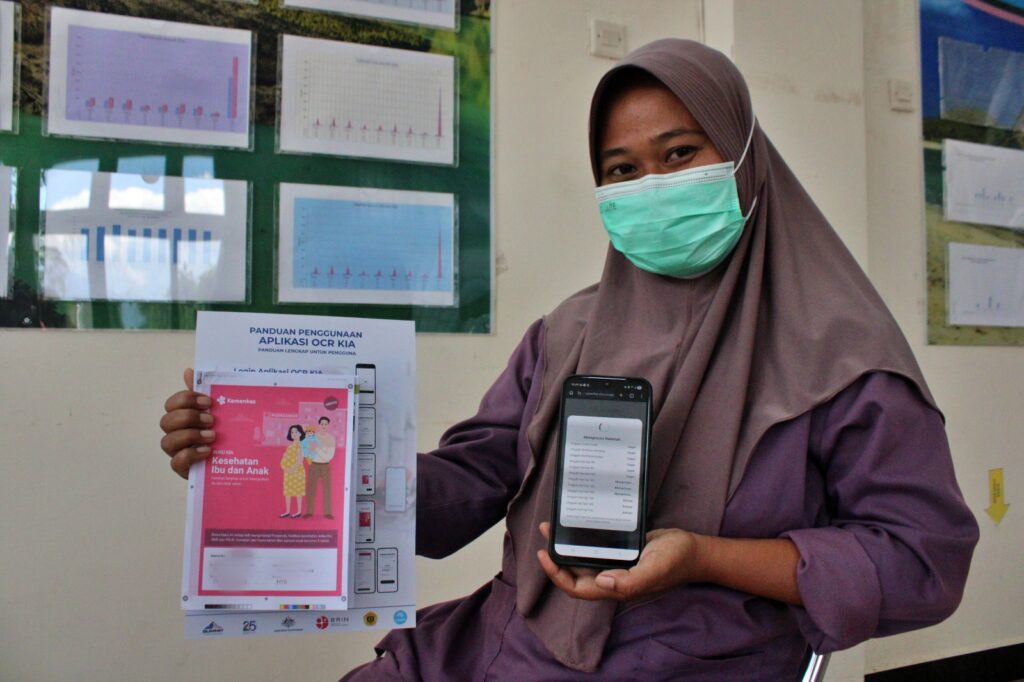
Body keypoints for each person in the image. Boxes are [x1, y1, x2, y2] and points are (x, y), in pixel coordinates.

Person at [160, 39, 978, 680]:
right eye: (622, 170)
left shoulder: (841, 355)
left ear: (743, 159)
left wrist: (703, 556)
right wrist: (270, 456)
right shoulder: (569, 332)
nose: (651, 185)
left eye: (679, 154)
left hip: (696, 662)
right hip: (508, 642)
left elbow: (922, 561)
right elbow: (470, 483)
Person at [304, 416, 336, 519]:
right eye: (322, 424)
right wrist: (321, 451)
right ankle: (309, 512)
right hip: (314, 465)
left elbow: (329, 456)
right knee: (311, 489)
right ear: (319, 425)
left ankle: (327, 513)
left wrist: (317, 449)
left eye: (325, 424)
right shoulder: (313, 437)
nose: (323, 426)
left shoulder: (331, 439)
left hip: (325, 466)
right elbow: (308, 451)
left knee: (327, 489)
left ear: (328, 425)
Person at [280, 424, 307, 519]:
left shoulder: (301, 446)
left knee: (298, 492)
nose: (294, 434)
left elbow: (300, 460)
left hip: (298, 472)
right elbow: (284, 457)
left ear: (300, 433)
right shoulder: (289, 447)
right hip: (288, 472)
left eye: (296, 432)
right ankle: (287, 511)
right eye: (292, 432)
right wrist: (286, 468)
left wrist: (292, 469)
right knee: (288, 492)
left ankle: (298, 511)